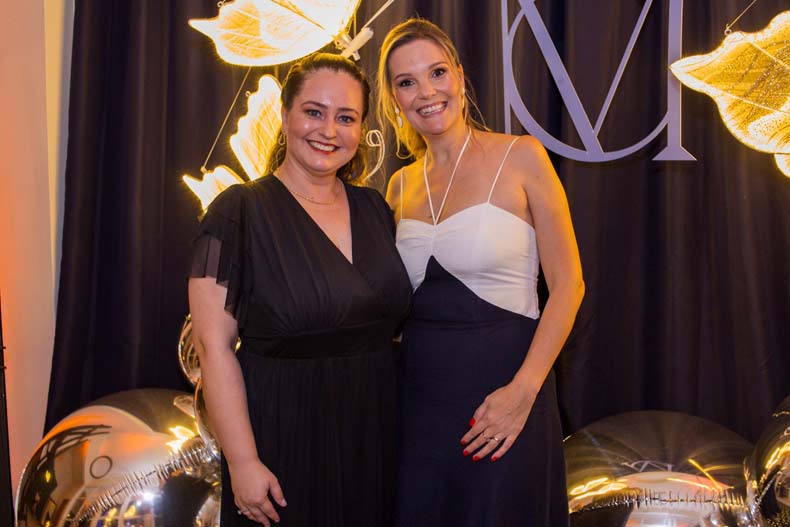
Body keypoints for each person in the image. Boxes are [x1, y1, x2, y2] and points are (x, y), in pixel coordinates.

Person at [376, 18, 585, 526]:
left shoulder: (523, 156)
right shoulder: (398, 186)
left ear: (460, 76)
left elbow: (568, 286)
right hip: (419, 406)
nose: (427, 92)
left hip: (507, 395)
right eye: (407, 82)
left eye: (437, 73)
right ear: (394, 99)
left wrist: (523, 392)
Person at [189, 52, 411, 527]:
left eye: (346, 118)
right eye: (314, 112)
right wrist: (243, 462)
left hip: (375, 438)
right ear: (286, 113)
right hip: (282, 443)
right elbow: (213, 348)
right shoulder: (239, 212)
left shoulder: (375, 208)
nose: (329, 130)